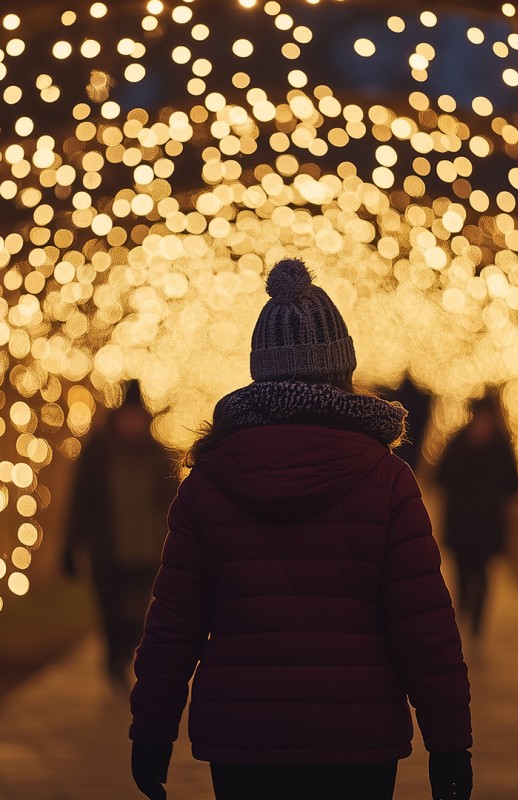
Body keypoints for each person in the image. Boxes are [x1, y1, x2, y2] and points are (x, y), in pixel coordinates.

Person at [129, 258, 473, 800]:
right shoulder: (386, 480)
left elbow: (174, 624)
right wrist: (450, 742)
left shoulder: (209, 481)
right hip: (358, 736)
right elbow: (423, 625)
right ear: (343, 370)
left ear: (260, 371)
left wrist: (150, 733)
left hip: (244, 737)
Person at [63, 380, 178, 688]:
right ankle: (114, 658)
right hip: (108, 551)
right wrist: (71, 546)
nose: (133, 424)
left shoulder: (159, 456)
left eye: (137, 418)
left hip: (148, 552)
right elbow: (80, 501)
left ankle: (125, 653)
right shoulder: (97, 454)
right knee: (110, 612)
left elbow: (173, 504)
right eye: (128, 417)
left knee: (138, 614)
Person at [436, 395, 518, 638]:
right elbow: (441, 476)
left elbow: (513, 485)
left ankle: (476, 623)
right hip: (462, 522)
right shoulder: (458, 442)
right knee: (462, 573)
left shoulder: (500, 445)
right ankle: (464, 615)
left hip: (486, 524)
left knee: (482, 574)